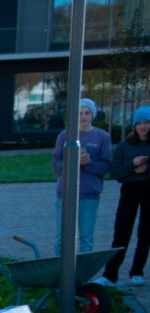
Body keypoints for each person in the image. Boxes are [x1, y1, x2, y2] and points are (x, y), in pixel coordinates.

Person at [97, 106, 150, 287]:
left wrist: (146, 169)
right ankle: (110, 274)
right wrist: (132, 165)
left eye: (147, 123)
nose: (143, 127)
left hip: (148, 189)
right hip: (129, 190)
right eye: (139, 123)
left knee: (146, 232)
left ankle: (137, 271)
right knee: (121, 231)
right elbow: (115, 173)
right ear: (134, 126)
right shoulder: (125, 146)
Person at [52, 98, 111, 255]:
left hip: (90, 193)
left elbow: (105, 166)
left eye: (87, 113)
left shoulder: (102, 137)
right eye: (79, 113)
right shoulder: (65, 136)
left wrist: (89, 163)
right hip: (66, 193)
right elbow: (56, 164)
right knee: (61, 238)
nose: (83, 117)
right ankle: (60, 274)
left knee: (86, 238)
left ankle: (82, 276)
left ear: (93, 115)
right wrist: (72, 163)